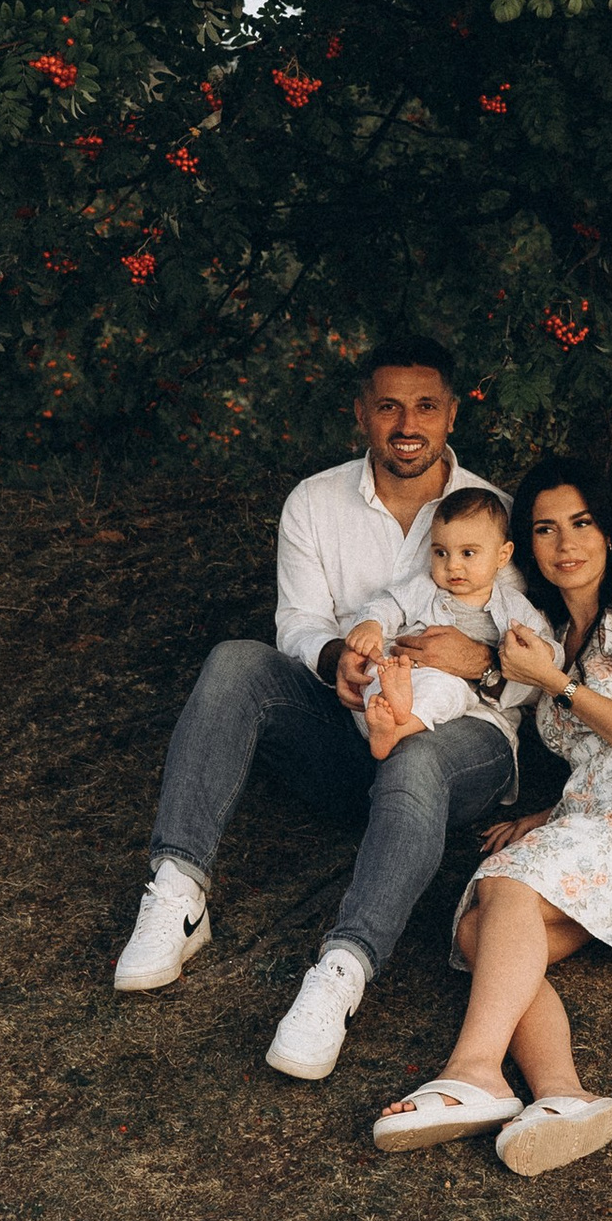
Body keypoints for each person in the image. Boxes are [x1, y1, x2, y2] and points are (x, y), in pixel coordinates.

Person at [112, 333, 528, 1080]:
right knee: (236, 663)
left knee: (417, 754)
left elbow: (542, 648)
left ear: (452, 415)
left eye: (426, 406)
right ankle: (178, 891)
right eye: (389, 406)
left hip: (465, 741)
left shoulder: (498, 514)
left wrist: (486, 662)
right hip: (350, 728)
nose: (408, 422)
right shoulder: (314, 501)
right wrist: (339, 660)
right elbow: (298, 623)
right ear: (362, 414)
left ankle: (340, 971)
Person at [370, 457, 612, 1174]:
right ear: (526, 548)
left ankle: (473, 1074)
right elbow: (595, 752)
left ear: (609, 530)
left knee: (508, 889)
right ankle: (562, 1095)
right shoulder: (549, 633)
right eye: (546, 529)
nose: (566, 543)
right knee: (475, 929)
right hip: (607, 808)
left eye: (581, 523)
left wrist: (552, 683)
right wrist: (553, 810)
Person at [340, 487, 552, 760]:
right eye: (441, 553)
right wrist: (371, 623)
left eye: (468, 553)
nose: (452, 565)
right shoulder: (424, 586)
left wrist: (546, 653)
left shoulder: (512, 606)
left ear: (502, 555)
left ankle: (395, 729)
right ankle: (389, 713)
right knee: (375, 679)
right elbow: (388, 602)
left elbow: (545, 650)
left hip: (445, 684)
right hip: (398, 670)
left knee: (450, 691)